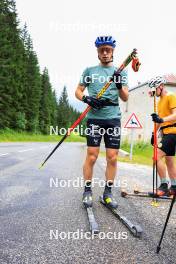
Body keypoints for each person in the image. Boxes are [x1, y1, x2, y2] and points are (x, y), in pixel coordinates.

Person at [75, 36, 128, 208]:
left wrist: (119, 86)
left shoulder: (121, 72)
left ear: (112, 51)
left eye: (108, 50)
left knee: (112, 158)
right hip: (94, 119)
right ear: (97, 52)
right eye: (102, 50)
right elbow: (78, 90)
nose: (105, 53)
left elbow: (125, 97)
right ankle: (87, 191)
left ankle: (107, 193)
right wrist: (87, 98)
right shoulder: (89, 70)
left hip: (113, 118)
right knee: (92, 155)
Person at [149, 76, 176, 196]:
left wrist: (162, 118)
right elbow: (159, 121)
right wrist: (154, 133)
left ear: (161, 86)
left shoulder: (171, 96)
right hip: (165, 132)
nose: (153, 91)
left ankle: (164, 186)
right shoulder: (159, 102)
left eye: (154, 88)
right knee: (169, 161)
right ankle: (174, 188)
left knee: (156, 155)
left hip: (173, 131)